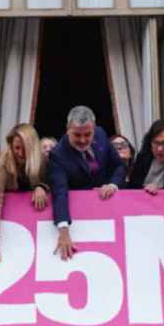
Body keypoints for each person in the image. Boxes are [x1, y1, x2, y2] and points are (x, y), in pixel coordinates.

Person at [49, 105, 127, 260]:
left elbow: (119, 166)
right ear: (67, 129)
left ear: (94, 128)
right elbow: (59, 192)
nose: (83, 140)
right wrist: (63, 231)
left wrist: (113, 185)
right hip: (81, 218)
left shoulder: (101, 134)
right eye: (77, 135)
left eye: (87, 134)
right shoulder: (58, 155)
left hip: (110, 211)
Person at [0, 124, 50, 268]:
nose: (19, 153)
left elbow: (55, 182)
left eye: (24, 148)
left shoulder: (44, 160)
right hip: (12, 223)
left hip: (40, 225)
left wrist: (42, 186)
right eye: (16, 148)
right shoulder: (2, 163)